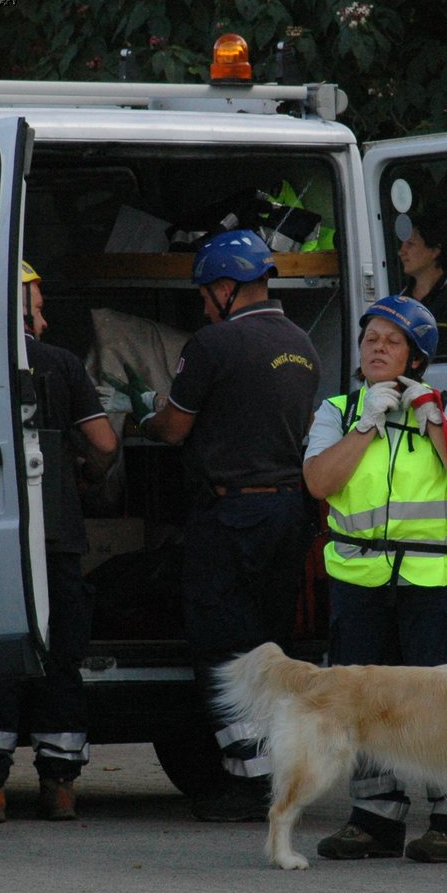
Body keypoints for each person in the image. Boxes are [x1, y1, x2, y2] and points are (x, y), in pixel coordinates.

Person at [135, 229, 321, 822]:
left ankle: (247, 784)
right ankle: (279, 774)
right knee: (269, 645)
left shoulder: (213, 344)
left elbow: (175, 429)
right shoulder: (304, 346)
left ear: (223, 287)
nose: (202, 304)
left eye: (203, 293)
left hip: (231, 514)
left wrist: (144, 417)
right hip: (289, 512)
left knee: (221, 648)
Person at [302, 294, 447, 862]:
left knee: (446, 703)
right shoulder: (337, 411)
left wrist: (431, 420)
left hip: (434, 580)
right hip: (360, 579)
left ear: (416, 357)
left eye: (391, 341)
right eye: (370, 340)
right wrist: (366, 426)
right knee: (362, 702)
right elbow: (318, 481)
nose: (377, 348)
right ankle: (374, 819)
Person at [0, 258, 117, 822]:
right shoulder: (62, 365)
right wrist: (86, 472)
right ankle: (59, 784)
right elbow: (104, 442)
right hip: (56, 535)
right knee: (60, 654)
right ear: (14, 306)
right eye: (36, 303)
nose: (43, 314)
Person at [396, 217, 447, 360]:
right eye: (402, 244)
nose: (401, 252)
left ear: (435, 251)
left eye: (410, 244)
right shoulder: (398, 301)